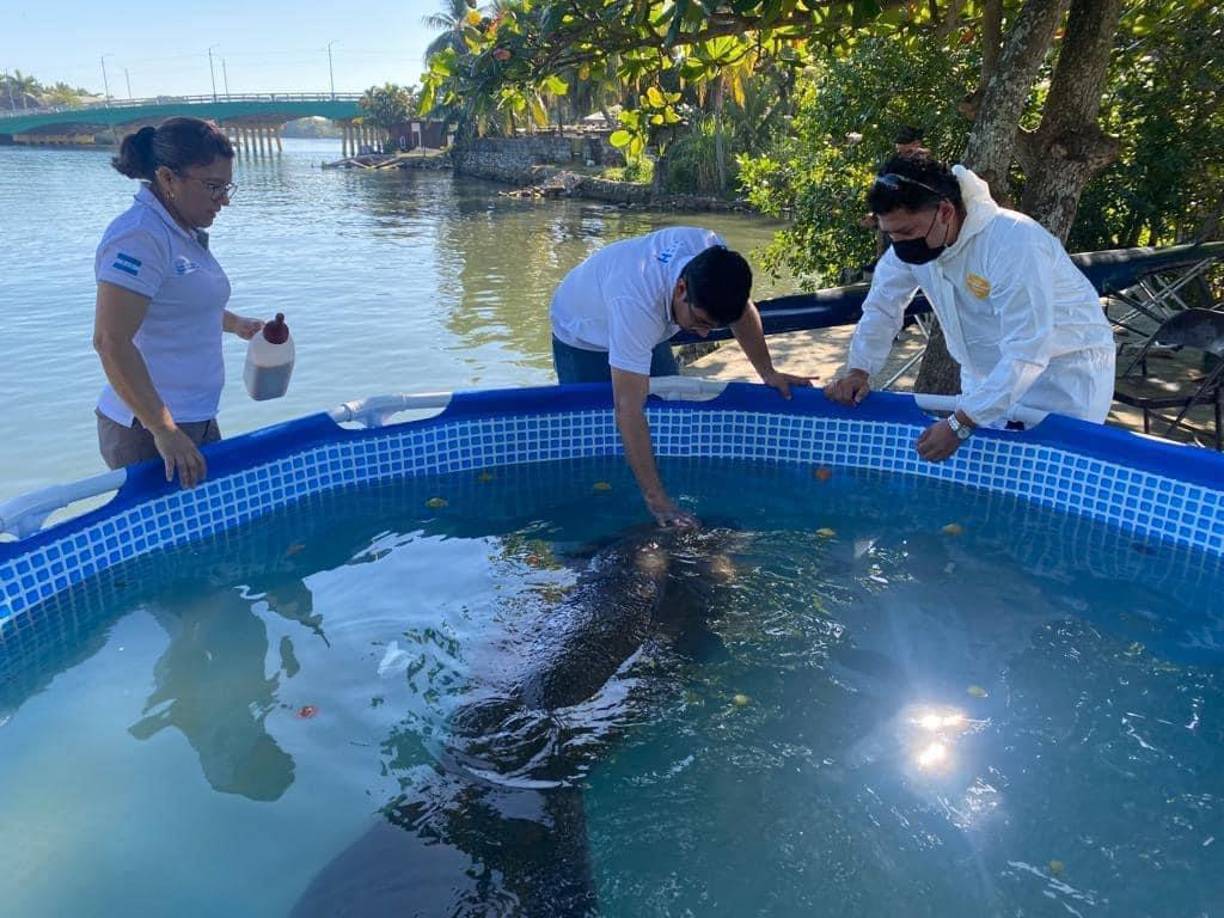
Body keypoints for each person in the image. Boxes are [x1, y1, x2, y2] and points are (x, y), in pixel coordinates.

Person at [825, 154, 1116, 461]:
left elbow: (1028, 349)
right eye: (890, 234)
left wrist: (959, 424)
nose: (899, 244)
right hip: (985, 378)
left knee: (1051, 485)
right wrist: (859, 369)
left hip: (1063, 378)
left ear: (946, 212)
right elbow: (882, 308)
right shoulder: (908, 247)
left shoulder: (1013, 242)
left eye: (907, 232)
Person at [550, 226, 810, 527]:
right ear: (681, 289)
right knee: (598, 439)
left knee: (664, 417)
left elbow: (742, 311)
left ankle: (654, 486)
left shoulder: (712, 252)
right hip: (582, 332)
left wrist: (768, 372)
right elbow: (629, 410)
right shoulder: (636, 306)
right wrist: (658, 503)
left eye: (712, 326)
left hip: (648, 314)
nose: (701, 334)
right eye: (700, 322)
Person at [93, 117, 264, 487]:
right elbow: (110, 341)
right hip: (147, 429)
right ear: (168, 179)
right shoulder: (140, 236)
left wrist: (235, 324)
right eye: (213, 187)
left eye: (226, 186)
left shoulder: (181, 230)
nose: (225, 200)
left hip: (193, 417)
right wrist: (163, 429)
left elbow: (178, 304)